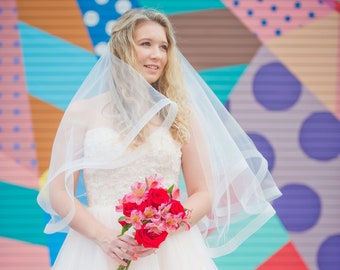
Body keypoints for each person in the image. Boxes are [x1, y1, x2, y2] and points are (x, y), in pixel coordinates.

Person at [37, 8, 282, 270]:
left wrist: (162, 229)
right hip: (96, 248)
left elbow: (203, 193)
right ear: (121, 49)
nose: (157, 55)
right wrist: (104, 237)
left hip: (169, 249)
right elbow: (60, 192)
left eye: (163, 47)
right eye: (146, 44)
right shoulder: (81, 112)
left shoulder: (181, 114)